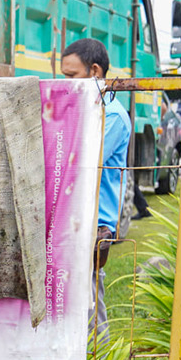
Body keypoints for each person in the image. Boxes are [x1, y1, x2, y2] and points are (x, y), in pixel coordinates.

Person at [60, 37, 130, 343]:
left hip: (95, 223)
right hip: (76, 217)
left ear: (95, 72)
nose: (66, 83)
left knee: (88, 292)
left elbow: (83, 159)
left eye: (72, 76)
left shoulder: (111, 116)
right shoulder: (89, 109)